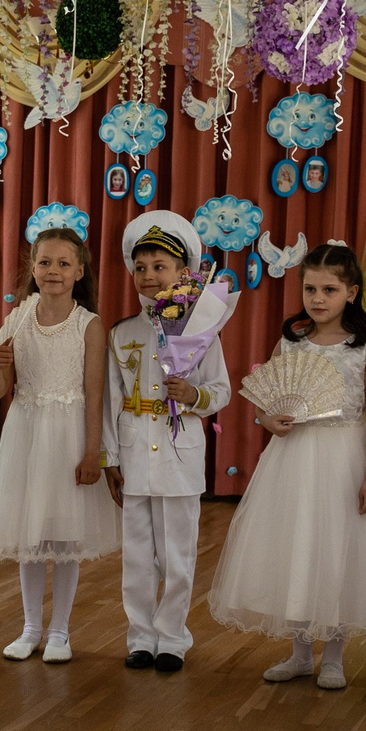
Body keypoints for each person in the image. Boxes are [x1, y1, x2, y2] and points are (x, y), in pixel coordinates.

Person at [208, 242, 366, 690]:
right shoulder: (291, 341)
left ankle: (334, 656)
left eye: (329, 289)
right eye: (310, 289)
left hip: (345, 456)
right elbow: (268, 402)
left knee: (338, 550)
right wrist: (269, 420)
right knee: (297, 547)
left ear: (352, 292)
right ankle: (300, 653)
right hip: (294, 459)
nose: (318, 299)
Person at [0, 222, 118, 661]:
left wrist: (92, 452)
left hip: (69, 433)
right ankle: (30, 628)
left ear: (80, 271)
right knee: (31, 534)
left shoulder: (89, 324)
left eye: (63, 263)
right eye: (44, 262)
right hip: (27, 430)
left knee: (64, 536)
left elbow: (95, 394)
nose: (52, 270)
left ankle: (59, 631)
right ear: (32, 268)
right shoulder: (19, 316)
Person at [103, 211, 228, 673]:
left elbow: (221, 391)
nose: (150, 276)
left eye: (161, 267)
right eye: (141, 268)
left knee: (178, 555)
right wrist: (109, 456)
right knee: (136, 557)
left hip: (179, 459)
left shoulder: (203, 332)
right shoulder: (122, 333)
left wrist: (193, 395)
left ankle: (172, 638)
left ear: (184, 274)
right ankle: (139, 637)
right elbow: (109, 400)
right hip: (135, 455)